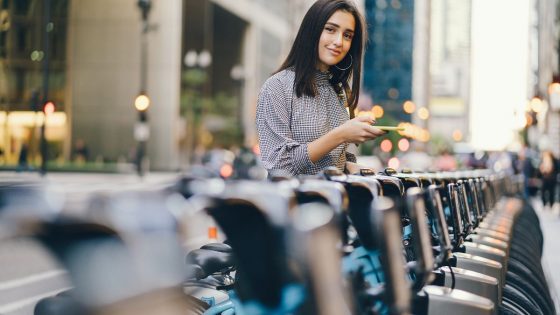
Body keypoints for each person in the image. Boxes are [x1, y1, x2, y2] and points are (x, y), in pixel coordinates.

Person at [256, 0, 385, 177]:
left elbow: (333, 158)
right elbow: (280, 166)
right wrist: (342, 134)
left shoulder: (337, 91)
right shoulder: (277, 87)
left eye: (347, 35)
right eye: (330, 29)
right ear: (312, 31)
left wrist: (351, 167)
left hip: (337, 200)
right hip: (297, 202)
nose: (339, 41)